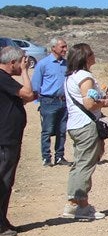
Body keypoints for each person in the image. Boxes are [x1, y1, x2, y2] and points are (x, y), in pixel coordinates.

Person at [61, 43, 108, 220]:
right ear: (86, 57)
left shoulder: (71, 77)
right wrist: (104, 102)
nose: (94, 55)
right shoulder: (85, 77)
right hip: (86, 125)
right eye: (91, 53)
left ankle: (72, 203)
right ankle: (82, 205)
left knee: (79, 163)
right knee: (86, 165)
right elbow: (89, 103)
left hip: (75, 124)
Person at [0, 46, 35, 236]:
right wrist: (25, 73)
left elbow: (25, 98)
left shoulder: (6, 81)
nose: (25, 64)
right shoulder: (3, 78)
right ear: (12, 62)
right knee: (3, 181)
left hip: (9, 137)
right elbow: (28, 94)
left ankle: (3, 220)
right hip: (5, 139)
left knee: (7, 180)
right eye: (21, 61)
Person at [31, 37, 69, 166]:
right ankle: (46, 157)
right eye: (62, 47)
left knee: (62, 130)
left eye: (65, 46)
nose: (65, 49)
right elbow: (36, 85)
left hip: (63, 102)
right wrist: (39, 101)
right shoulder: (43, 64)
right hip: (48, 101)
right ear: (53, 48)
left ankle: (60, 156)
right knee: (47, 130)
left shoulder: (66, 64)